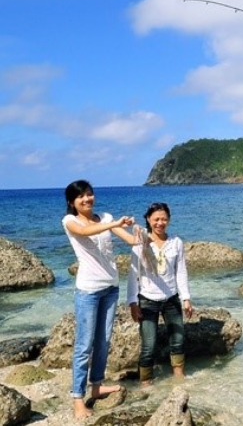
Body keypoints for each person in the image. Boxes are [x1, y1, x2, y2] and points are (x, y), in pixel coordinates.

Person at [62, 179, 138, 420]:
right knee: (84, 345)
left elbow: (130, 240)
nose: (87, 199)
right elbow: (85, 232)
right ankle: (77, 397)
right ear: (72, 202)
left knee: (104, 341)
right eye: (81, 196)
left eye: (89, 194)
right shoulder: (70, 221)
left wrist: (145, 231)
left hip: (111, 287)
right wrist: (115, 223)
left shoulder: (104, 216)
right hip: (88, 290)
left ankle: (96, 385)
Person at [127, 202, 193, 386]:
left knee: (178, 338)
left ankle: (179, 376)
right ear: (148, 219)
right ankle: (146, 382)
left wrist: (186, 298)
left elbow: (181, 271)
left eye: (164, 219)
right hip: (147, 300)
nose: (160, 223)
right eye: (156, 219)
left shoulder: (176, 243)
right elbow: (133, 274)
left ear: (169, 220)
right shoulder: (140, 242)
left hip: (171, 298)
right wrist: (132, 303)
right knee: (149, 344)